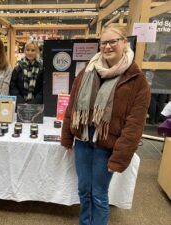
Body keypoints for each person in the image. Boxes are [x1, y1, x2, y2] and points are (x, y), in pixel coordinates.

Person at [61, 24, 150, 225]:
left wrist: (120, 157)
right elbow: (73, 106)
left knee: (98, 193)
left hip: (107, 143)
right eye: (103, 43)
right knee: (84, 189)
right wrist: (67, 136)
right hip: (83, 138)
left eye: (113, 42)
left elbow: (135, 125)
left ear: (124, 42)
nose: (107, 47)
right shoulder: (88, 71)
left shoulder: (137, 80)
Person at [9, 41, 43, 105]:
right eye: (27, 50)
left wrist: (34, 102)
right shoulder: (18, 67)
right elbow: (13, 87)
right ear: (24, 51)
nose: (30, 53)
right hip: (20, 105)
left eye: (33, 50)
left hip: (37, 106)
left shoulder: (42, 68)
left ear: (37, 52)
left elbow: (43, 89)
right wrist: (21, 102)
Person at [148, 46, 171, 124]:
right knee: (161, 102)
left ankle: (152, 120)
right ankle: (157, 120)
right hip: (167, 85)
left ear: (168, 51)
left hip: (157, 83)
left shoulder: (162, 59)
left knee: (153, 101)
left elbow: (152, 68)